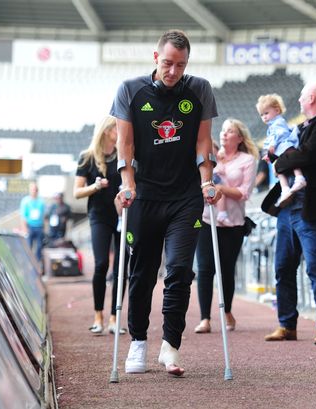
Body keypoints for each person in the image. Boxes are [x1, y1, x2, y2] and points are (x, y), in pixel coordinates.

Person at [111, 29, 220, 377]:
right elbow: (124, 146)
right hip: (145, 195)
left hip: (185, 197)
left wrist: (207, 179)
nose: (174, 72)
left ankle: (170, 346)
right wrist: (127, 183)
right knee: (142, 273)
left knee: (179, 271)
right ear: (156, 58)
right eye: (169, 63)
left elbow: (204, 142)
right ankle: (139, 342)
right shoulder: (130, 90)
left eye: (181, 65)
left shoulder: (199, 89)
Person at [261, 81, 316, 345]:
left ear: (311, 98)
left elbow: (304, 157)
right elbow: (284, 157)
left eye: (301, 96)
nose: (298, 100)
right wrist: (281, 158)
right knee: (283, 267)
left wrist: (282, 158)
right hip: (289, 207)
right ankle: (286, 324)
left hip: (313, 207)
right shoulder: (301, 127)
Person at [194, 118, 258, 334]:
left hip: (233, 222)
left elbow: (244, 193)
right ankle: (205, 318)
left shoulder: (247, 160)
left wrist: (220, 188)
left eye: (230, 132)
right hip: (206, 218)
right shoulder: (211, 156)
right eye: (223, 131)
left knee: (226, 270)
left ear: (239, 138)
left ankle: (227, 310)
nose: (224, 134)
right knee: (204, 269)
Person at [74, 115, 128, 336]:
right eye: (117, 128)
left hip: (122, 215)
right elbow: (77, 192)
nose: (121, 131)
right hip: (99, 216)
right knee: (101, 264)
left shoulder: (123, 155)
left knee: (121, 268)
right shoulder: (87, 158)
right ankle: (98, 315)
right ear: (107, 130)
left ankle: (115, 317)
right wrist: (95, 186)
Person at [257, 94, 307, 208]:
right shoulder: (270, 128)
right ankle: (285, 189)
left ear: (277, 110)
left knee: (292, 160)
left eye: (266, 113)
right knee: (278, 168)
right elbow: (269, 141)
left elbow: (281, 133)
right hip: (279, 151)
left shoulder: (279, 122)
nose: (264, 117)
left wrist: (272, 145)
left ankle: (299, 177)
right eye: (261, 115)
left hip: (286, 145)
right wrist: (268, 154)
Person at [19, 181, 45, 262]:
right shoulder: (25, 201)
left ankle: (37, 264)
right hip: (29, 227)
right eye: (32, 189)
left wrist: (44, 228)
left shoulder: (41, 202)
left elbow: (43, 216)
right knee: (28, 246)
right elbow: (23, 216)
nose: (34, 191)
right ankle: (28, 263)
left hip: (39, 227)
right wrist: (24, 229)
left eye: (35, 189)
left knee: (39, 247)